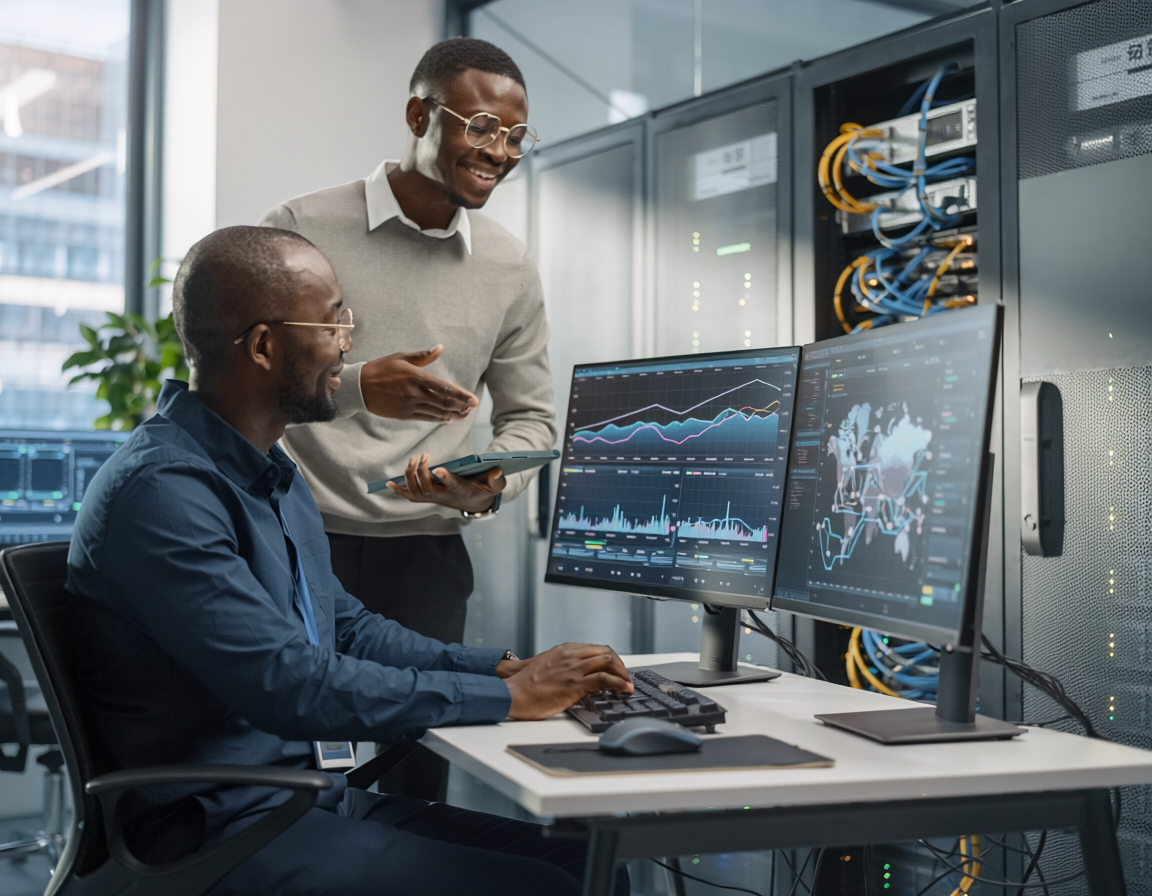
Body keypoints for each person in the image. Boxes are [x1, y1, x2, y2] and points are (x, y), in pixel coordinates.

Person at [66, 226, 630, 896]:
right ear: (266, 345)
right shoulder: (162, 493)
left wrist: (500, 668)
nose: (348, 343)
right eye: (333, 320)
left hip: (303, 803)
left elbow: (345, 626)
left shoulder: (270, 470)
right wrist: (508, 699)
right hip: (219, 834)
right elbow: (289, 683)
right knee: (552, 889)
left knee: (587, 863)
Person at [259, 36, 552, 801]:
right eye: (483, 126)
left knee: (417, 774)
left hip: (425, 556)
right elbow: (252, 368)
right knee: (287, 766)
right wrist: (357, 385)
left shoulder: (510, 266)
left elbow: (533, 424)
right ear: (421, 114)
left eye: (516, 136)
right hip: (297, 539)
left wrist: (487, 485)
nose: (501, 151)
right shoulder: (303, 225)